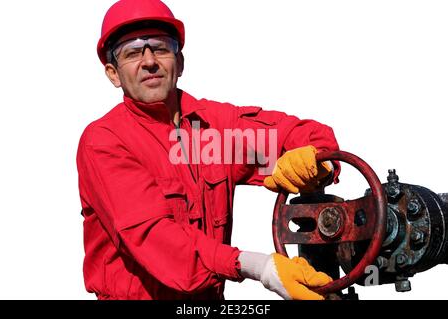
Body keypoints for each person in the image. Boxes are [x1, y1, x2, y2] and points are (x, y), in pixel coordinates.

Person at [76, 0, 341, 300]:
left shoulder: (213, 128)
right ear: (113, 73)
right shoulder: (105, 141)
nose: (149, 61)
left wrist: (314, 163)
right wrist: (260, 268)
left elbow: (307, 136)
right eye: (133, 53)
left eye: (160, 48)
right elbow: (159, 242)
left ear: (180, 62)